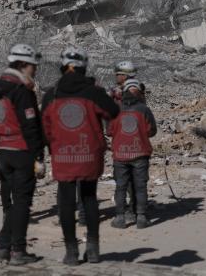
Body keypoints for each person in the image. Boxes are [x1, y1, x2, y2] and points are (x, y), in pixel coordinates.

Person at [42, 46, 119, 265]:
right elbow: (113, 112)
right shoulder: (93, 92)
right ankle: (93, 249)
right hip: (89, 154)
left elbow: (44, 127)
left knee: (66, 202)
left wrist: (52, 146)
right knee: (89, 198)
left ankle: (71, 252)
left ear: (63, 67)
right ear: (84, 67)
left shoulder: (52, 94)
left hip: (63, 155)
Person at [0, 44, 45, 266]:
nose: (35, 71)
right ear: (22, 64)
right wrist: (39, 157)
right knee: (22, 204)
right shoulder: (21, 90)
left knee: (14, 205)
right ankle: (18, 251)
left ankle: (3, 248)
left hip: (4, 151)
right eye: (33, 66)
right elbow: (31, 126)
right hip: (22, 152)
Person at [109, 79, 157, 229]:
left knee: (121, 186)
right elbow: (152, 131)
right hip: (140, 153)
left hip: (120, 154)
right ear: (139, 92)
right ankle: (141, 217)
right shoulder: (144, 109)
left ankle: (120, 217)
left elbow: (109, 131)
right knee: (140, 186)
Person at [109, 60, 139, 222]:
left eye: (118, 74)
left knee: (127, 176)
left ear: (125, 75)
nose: (116, 76)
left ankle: (131, 211)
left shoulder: (132, 91)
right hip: (124, 138)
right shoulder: (126, 90)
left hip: (127, 139)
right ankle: (131, 210)